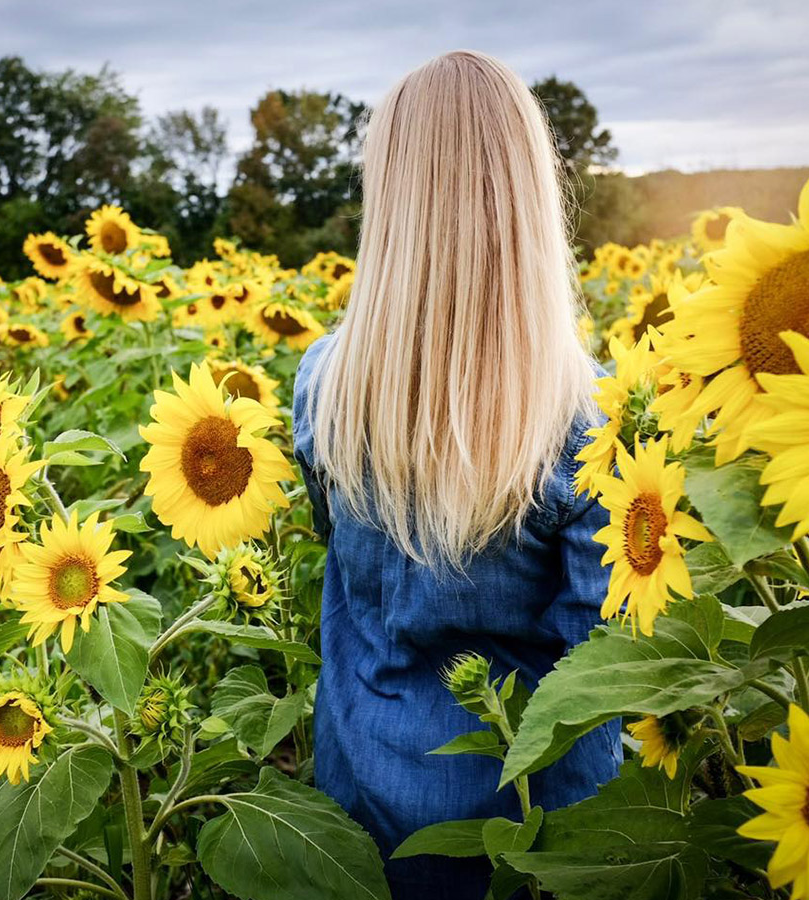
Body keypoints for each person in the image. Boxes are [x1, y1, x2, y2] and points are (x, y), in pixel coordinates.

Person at [291, 50, 621, 899]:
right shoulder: (585, 422)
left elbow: (341, 553)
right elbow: (602, 670)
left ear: (389, 203)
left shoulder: (327, 384)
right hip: (528, 833)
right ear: (530, 199)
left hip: (359, 804)